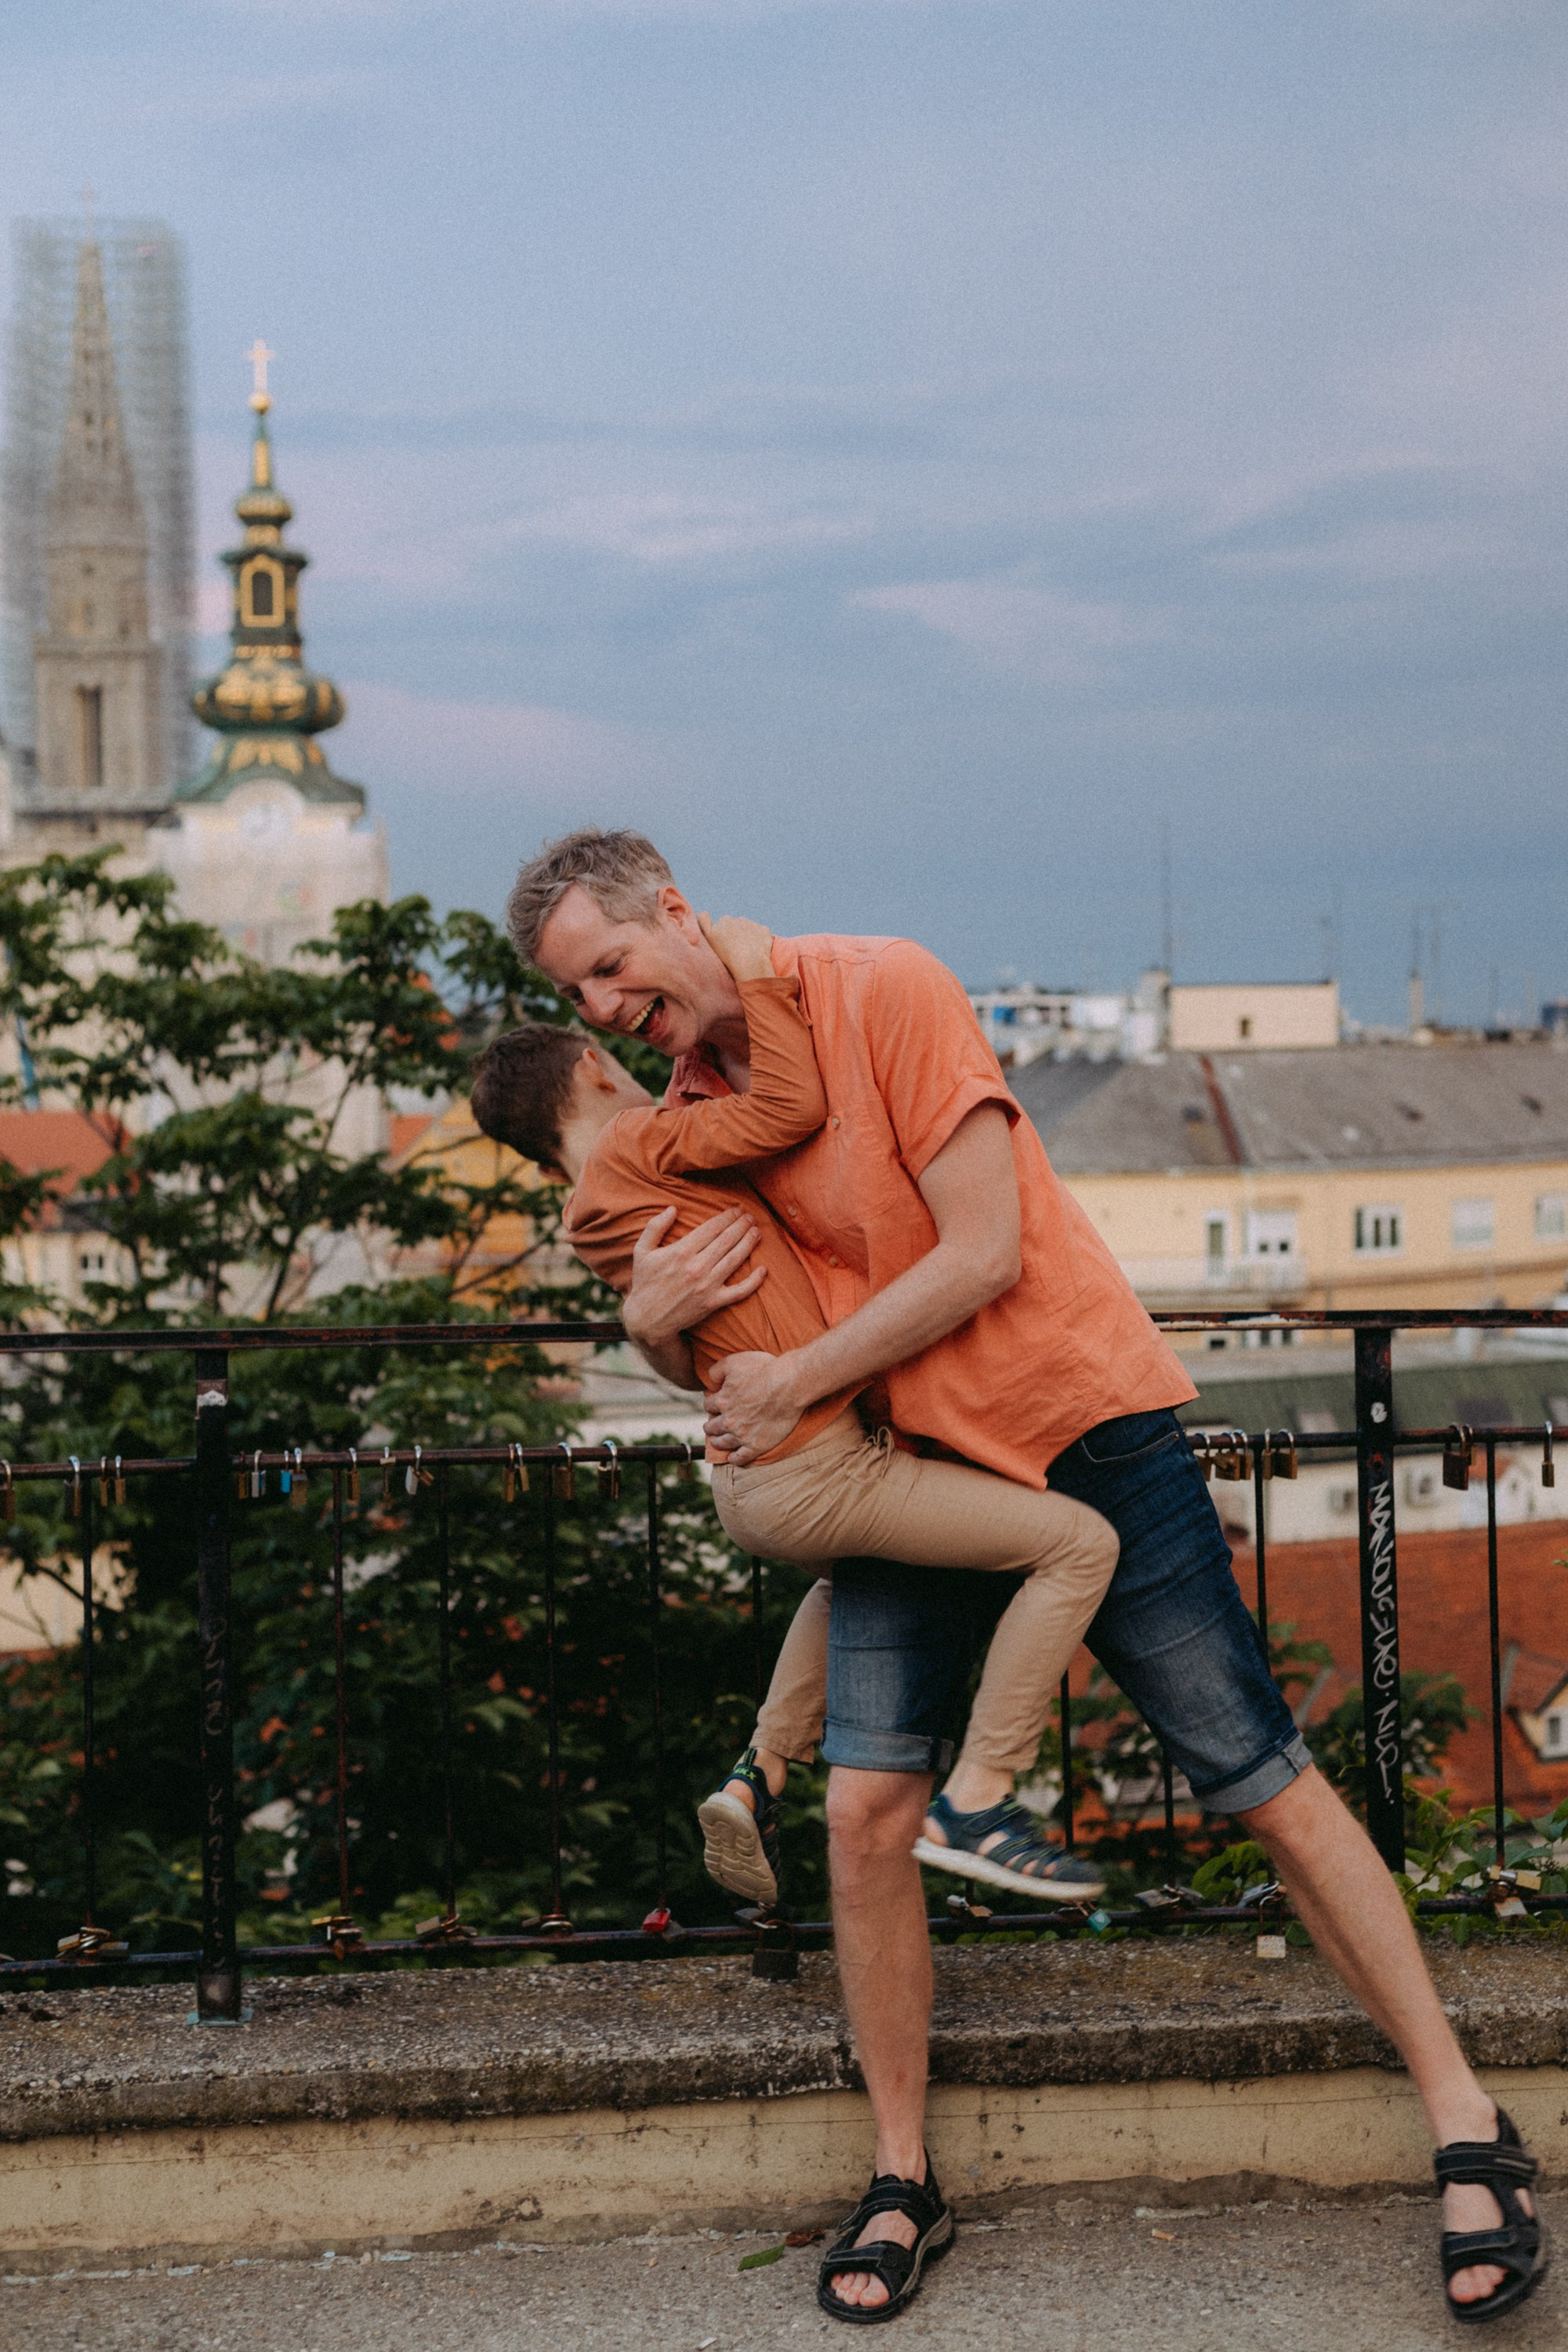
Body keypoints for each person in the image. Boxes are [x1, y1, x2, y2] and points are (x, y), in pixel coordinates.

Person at [508, 826, 1544, 2330]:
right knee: (864, 1815)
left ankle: (1466, 2122)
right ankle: (903, 2173)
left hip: (1079, 1425)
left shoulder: (883, 990)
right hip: (910, 1468)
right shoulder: (688, 1111)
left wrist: (791, 1368)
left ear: (676, 912)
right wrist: (652, 1337)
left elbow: (983, 1250)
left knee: (1259, 1775)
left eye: (611, 966)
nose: (603, 1007)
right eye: (576, 994)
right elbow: (712, 1337)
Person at [470, 913, 1120, 1915]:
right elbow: (790, 1104)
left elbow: (690, 1343)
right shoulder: (643, 1139)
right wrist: (753, 972)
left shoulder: (587, 1215)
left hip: (751, 1482)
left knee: (861, 1576)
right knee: (1076, 1545)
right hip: (814, 1468)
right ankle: (981, 1799)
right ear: (596, 1071)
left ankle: (759, 1770)